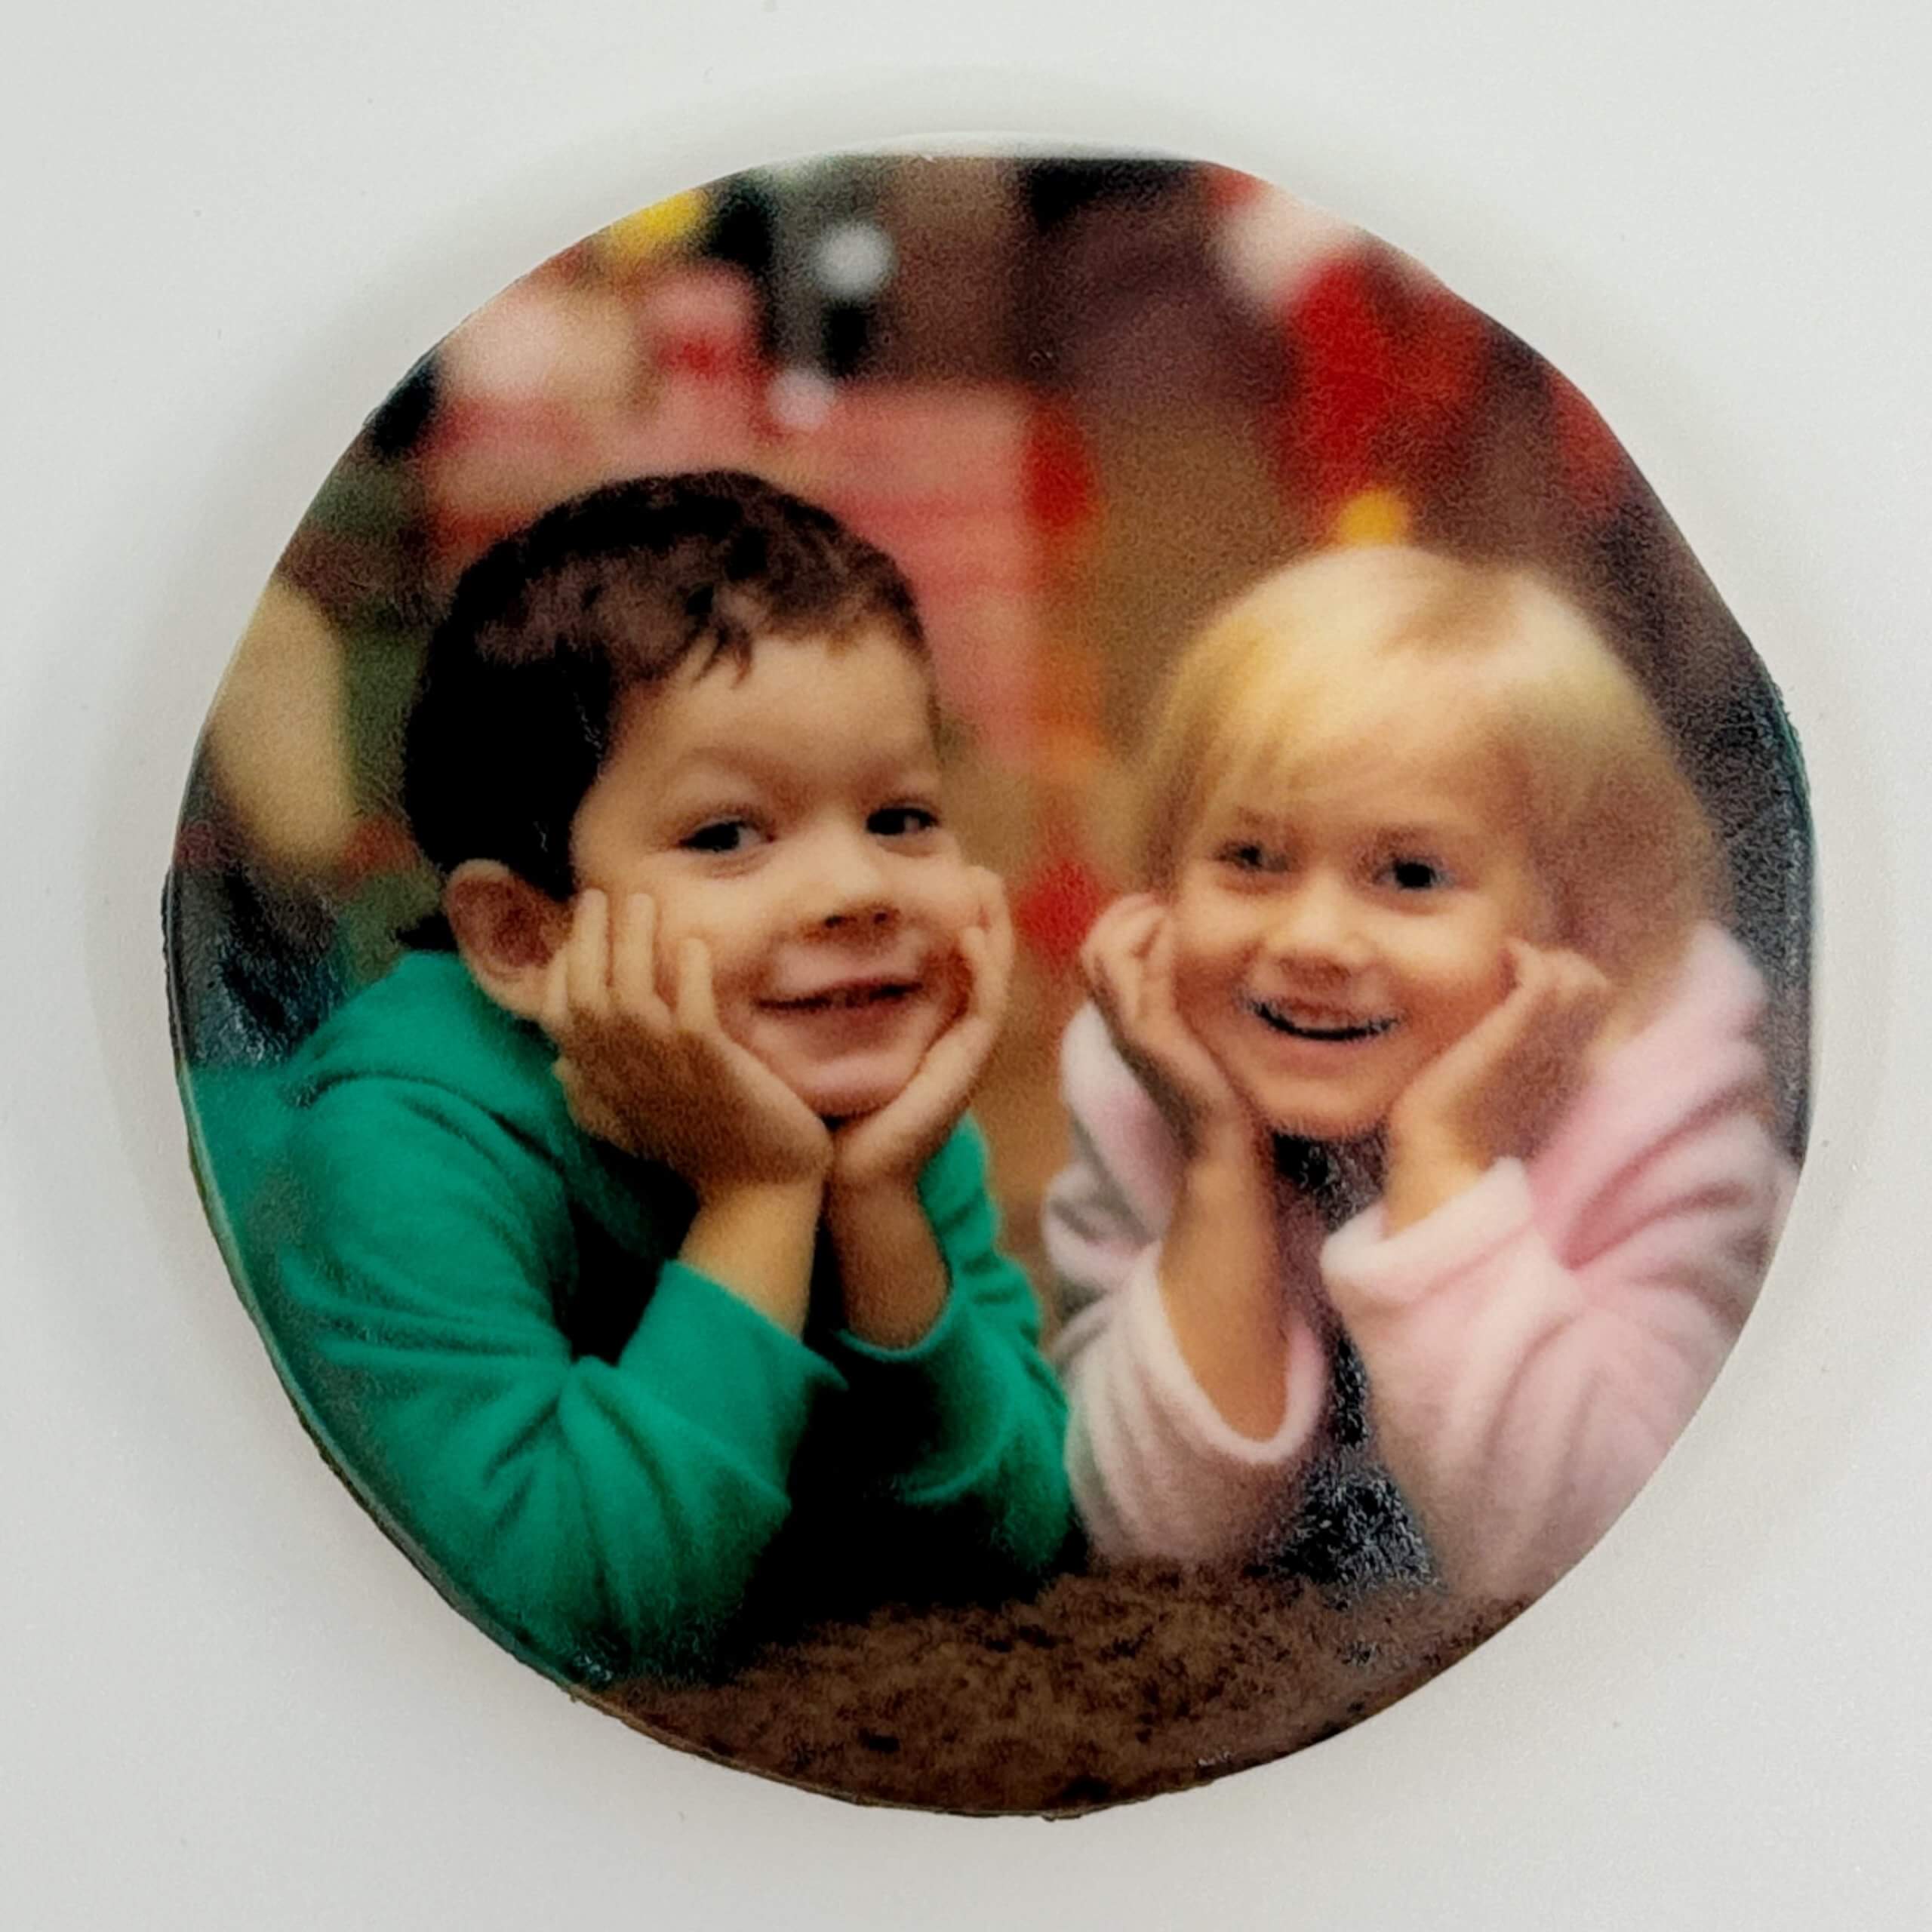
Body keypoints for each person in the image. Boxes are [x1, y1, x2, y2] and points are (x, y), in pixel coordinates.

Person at [217, 471, 1070, 1685]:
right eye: (728, 835)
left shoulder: (882, 1114)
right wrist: (761, 1193)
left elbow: (1022, 1548)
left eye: (901, 818)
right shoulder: (393, 1156)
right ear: (526, 937)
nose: (861, 888)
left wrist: (876, 1208)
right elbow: (562, 1627)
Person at [1044, 545, 1792, 1604]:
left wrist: (1446, 1161)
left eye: (1409, 874)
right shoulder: (1154, 1074)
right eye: (1251, 858)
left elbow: (1587, 1556)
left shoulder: (1661, 1106)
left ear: (1578, 925)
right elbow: (1148, 1545)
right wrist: (1218, 1163)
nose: (1311, 939)